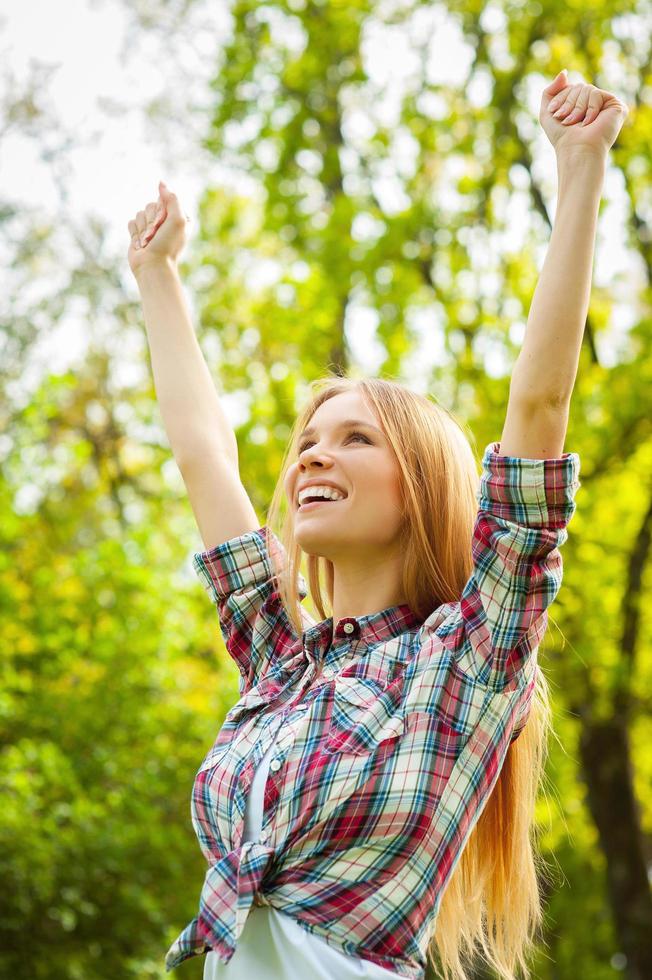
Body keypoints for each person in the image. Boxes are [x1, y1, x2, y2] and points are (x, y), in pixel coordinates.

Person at [127, 71, 628, 980]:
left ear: (424, 487)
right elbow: (204, 456)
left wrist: (581, 166)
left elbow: (542, 401)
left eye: (355, 438)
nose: (312, 456)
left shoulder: (465, 663)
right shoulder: (281, 667)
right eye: (307, 441)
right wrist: (158, 276)